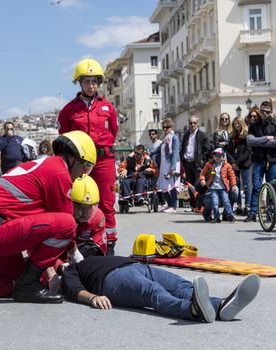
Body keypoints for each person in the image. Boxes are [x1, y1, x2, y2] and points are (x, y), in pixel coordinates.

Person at [0, 130, 97, 305]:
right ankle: (27, 286)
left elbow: (40, 234)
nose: (83, 174)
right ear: (74, 158)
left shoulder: (43, 166)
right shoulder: (59, 172)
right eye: (86, 166)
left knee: (25, 280)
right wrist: (76, 258)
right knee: (67, 223)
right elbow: (63, 227)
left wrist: (46, 272)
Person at [60, 255, 261, 323]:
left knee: (183, 286)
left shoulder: (92, 253)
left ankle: (221, 306)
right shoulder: (71, 268)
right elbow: (72, 287)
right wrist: (92, 297)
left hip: (137, 266)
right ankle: (191, 310)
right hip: (113, 280)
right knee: (153, 293)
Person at [58, 58, 118, 254]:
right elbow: (64, 137)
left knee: (107, 202)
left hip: (104, 160)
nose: (91, 86)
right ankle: (73, 241)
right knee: (76, 199)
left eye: (94, 81)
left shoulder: (108, 108)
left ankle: (109, 242)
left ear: (99, 83)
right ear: (79, 83)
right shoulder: (69, 110)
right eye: (86, 81)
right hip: (80, 163)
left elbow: (114, 131)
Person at [245, 101, 276, 222]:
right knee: (256, 186)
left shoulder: (275, 124)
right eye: (262, 111)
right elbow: (250, 141)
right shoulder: (254, 125)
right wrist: (266, 139)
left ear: (271, 112)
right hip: (258, 159)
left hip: (273, 159)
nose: (264, 113)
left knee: (272, 187)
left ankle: (270, 213)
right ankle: (253, 212)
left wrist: (260, 142)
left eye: (267, 112)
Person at [70, 175, 107, 257]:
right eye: (80, 207)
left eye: (89, 207)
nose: (85, 213)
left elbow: (99, 249)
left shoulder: (97, 218)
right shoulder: (62, 217)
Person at [180, 115, 211, 211]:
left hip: (197, 164)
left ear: (197, 124)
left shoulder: (203, 135)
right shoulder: (186, 135)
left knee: (198, 185)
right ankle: (193, 206)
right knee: (189, 185)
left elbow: (207, 150)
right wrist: (182, 160)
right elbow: (183, 148)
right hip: (187, 163)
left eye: (194, 123)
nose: (192, 125)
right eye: (190, 123)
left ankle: (199, 206)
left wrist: (202, 161)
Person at [200, 148, 238, 223]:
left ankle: (230, 215)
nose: (217, 157)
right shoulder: (209, 165)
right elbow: (202, 173)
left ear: (223, 157)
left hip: (223, 188)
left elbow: (232, 175)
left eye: (219, 156)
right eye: (215, 155)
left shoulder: (227, 165)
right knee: (215, 202)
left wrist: (233, 185)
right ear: (213, 156)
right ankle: (216, 217)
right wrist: (202, 180)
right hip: (213, 188)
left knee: (226, 201)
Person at [227, 115, 252, 216]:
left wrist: (237, 163)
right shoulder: (232, 136)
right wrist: (233, 163)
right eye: (235, 123)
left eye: (238, 123)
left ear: (242, 123)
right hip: (234, 164)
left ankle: (247, 206)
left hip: (245, 164)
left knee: (247, 185)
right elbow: (228, 151)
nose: (236, 125)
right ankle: (239, 206)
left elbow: (248, 151)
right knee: (235, 185)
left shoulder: (247, 135)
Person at [157, 118, 181, 213]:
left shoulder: (174, 137)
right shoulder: (164, 138)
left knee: (172, 185)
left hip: (172, 163)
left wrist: (173, 167)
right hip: (164, 164)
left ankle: (173, 206)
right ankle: (169, 204)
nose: (165, 129)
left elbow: (175, 153)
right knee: (163, 185)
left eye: (167, 127)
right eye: (163, 127)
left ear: (171, 127)